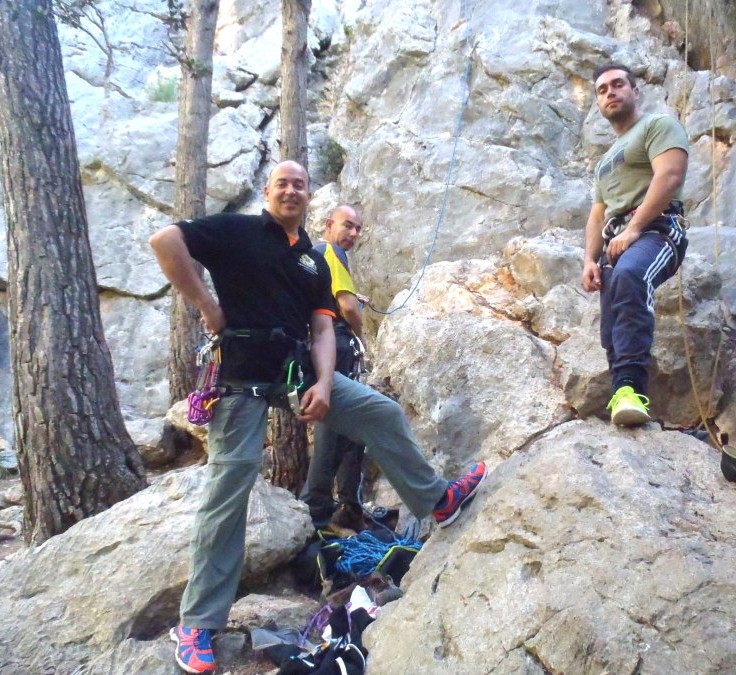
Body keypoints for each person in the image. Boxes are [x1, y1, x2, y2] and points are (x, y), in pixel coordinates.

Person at [149, 160, 487, 674]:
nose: (291, 191)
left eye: (299, 185)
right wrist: (207, 305)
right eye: (282, 184)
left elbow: (323, 328)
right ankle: (197, 624)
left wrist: (326, 383)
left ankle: (436, 501)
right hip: (240, 375)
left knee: (379, 411)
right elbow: (165, 241)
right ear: (268, 191)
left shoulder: (312, 260)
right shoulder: (236, 230)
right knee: (230, 487)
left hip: (295, 372)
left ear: (309, 197)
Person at [580, 63, 690, 426]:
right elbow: (598, 215)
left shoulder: (658, 126)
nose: (610, 92)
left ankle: (632, 390)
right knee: (611, 321)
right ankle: (621, 396)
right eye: (602, 90)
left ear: (635, 91)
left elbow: (670, 174)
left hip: (658, 230)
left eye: (617, 84)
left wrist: (635, 228)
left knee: (630, 276)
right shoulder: (603, 163)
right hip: (616, 241)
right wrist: (589, 260)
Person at [300, 205, 370, 530]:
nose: (353, 233)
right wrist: (361, 334)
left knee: (349, 422)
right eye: (347, 225)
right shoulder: (330, 251)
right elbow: (347, 306)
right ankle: (317, 510)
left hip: (321, 344)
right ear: (329, 224)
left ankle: (348, 505)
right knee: (335, 425)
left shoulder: (315, 256)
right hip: (337, 345)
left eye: (358, 229)